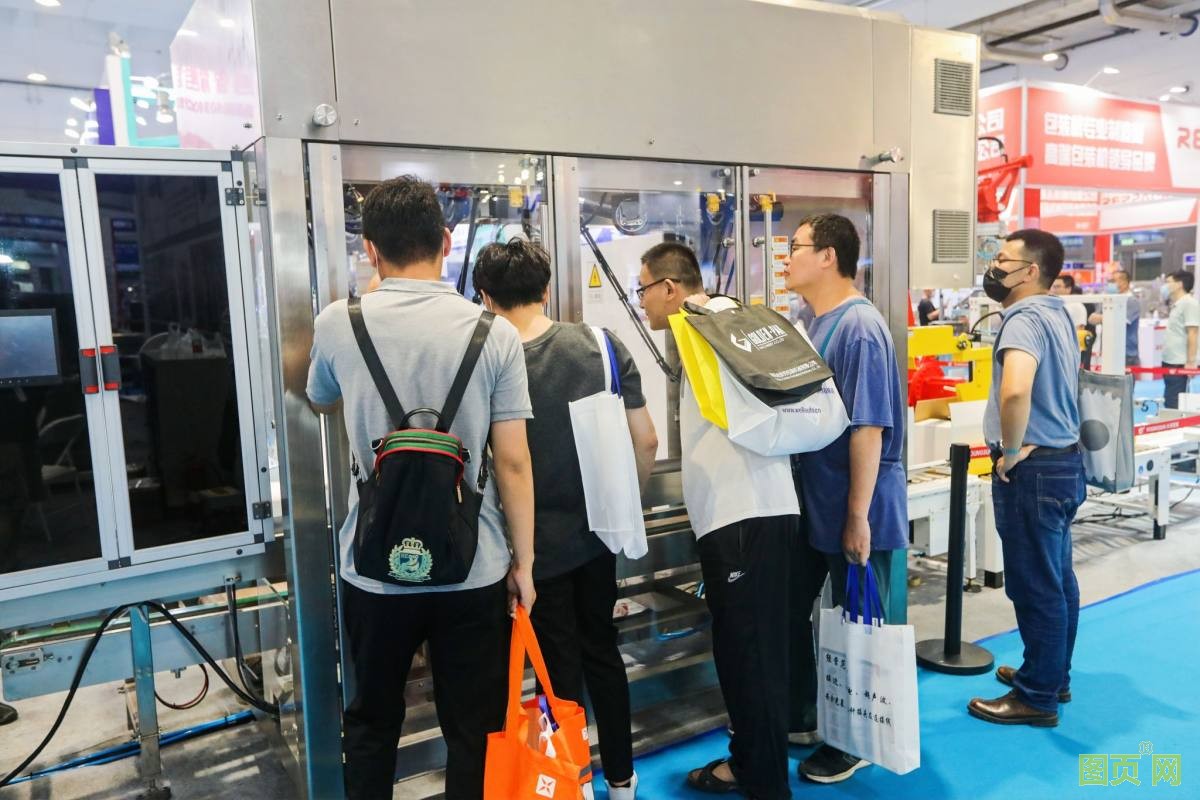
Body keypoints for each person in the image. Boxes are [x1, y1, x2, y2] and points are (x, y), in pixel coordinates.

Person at [306, 176, 536, 800]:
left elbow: (320, 398)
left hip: (373, 568)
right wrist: (524, 563)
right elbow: (513, 462)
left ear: (370, 250)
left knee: (372, 723)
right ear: (447, 240)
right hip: (474, 566)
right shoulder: (494, 333)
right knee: (474, 730)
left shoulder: (338, 324)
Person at [471, 239, 658, 800]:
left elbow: (503, 462)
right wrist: (623, 508)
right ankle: (621, 782)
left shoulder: (489, 361)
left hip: (530, 549)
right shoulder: (601, 345)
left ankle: (571, 783)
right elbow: (646, 440)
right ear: (547, 290)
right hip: (597, 537)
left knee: (557, 672)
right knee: (603, 652)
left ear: (485, 298)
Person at [637, 242, 800, 799]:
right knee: (750, 653)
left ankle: (766, 784)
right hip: (764, 511)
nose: (641, 302)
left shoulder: (710, 324)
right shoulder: (721, 324)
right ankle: (751, 763)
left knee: (750, 657)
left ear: (669, 288)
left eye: (643, 289)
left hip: (743, 519)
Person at [783, 214, 907, 784]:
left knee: (860, 621)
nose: (787, 257)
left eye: (796, 246)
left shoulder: (859, 327)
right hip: (819, 501)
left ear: (828, 255)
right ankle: (807, 713)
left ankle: (855, 739)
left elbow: (869, 429)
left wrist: (857, 516)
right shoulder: (814, 321)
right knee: (798, 609)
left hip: (855, 504)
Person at [968, 228, 1084, 728]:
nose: (994, 267)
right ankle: (1052, 675)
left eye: (1003, 260)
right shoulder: (1059, 314)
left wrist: (1011, 454)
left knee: (1036, 586)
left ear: (1031, 271)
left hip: (1033, 471)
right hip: (1064, 463)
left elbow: (1016, 391)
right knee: (1057, 579)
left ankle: (1037, 697)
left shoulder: (1023, 319)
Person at [1159, 270, 1200, 409]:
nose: (1165, 286)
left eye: (1168, 282)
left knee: (1174, 402)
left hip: (1180, 363)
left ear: (1179, 284)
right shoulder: (1178, 304)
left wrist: (1191, 362)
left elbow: (1193, 333)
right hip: (1171, 360)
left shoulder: (1189, 303)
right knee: (1170, 399)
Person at [1088, 269, 1140, 367]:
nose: (1110, 284)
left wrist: (1102, 317)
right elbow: (1091, 319)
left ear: (1125, 282)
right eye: (1110, 281)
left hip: (1126, 353)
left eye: (1113, 281)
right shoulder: (1108, 300)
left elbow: (1119, 321)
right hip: (1107, 351)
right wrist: (1107, 317)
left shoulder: (1131, 301)